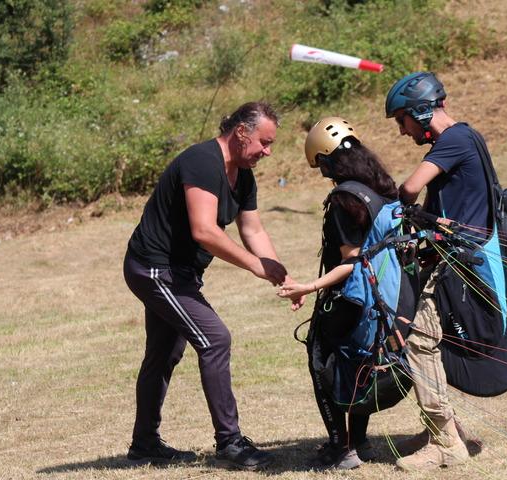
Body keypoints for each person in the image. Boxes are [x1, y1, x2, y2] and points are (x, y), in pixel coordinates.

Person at [123, 101, 301, 470]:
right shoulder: (202, 162)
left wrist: (281, 275)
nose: (267, 152)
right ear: (241, 132)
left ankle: (144, 445)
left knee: (164, 353)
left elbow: (252, 229)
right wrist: (254, 265)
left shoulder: (243, 174)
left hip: (179, 273)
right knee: (214, 339)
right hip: (156, 269)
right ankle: (230, 443)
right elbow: (204, 231)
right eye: (264, 143)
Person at [277, 117, 400, 470]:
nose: (322, 173)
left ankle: (339, 448)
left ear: (330, 160)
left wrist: (310, 286)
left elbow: (353, 260)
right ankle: (358, 441)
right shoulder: (380, 189)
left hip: (350, 296)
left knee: (320, 360)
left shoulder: (345, 198)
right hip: (383, 297)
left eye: (321, 165)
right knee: (359, 363)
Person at [385, 71, 489, 470]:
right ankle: (442, 430)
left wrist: (408, 208)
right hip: (452, 256)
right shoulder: (468, 137)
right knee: (428, 341)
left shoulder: (453, 141)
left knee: (420, 342)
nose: (401, 131)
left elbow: (409, 189)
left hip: (457, 262)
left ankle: (446, 443)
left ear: (421, 111)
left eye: (402, 121)